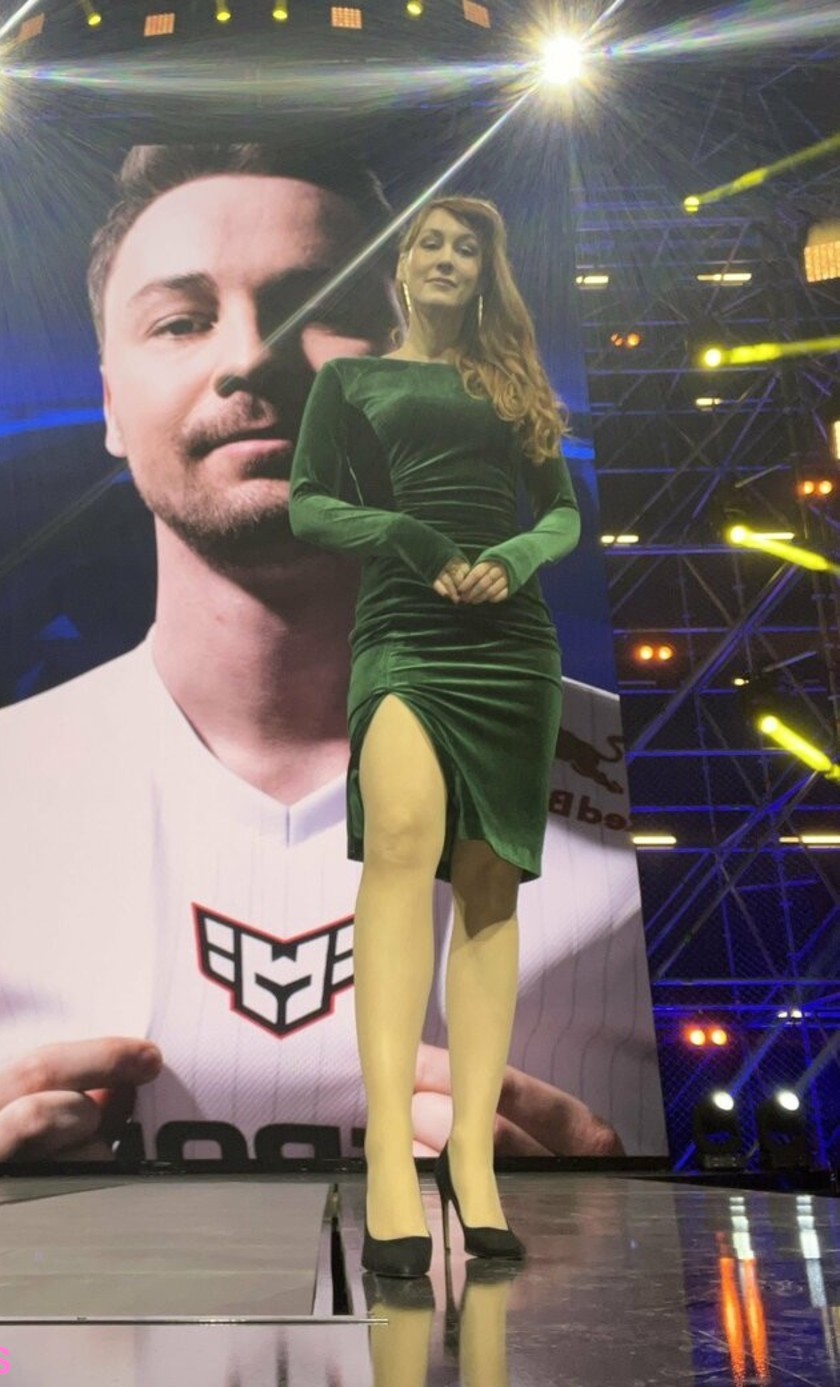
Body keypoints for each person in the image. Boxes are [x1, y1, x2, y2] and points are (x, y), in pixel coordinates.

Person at [0, 145, 665, 1167]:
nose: (253, 358)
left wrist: (633, 1236)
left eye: (324, 308)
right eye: (180, 321)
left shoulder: (639, 785)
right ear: (110, 404)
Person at [289, 197, 581, 1275]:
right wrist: (407, 534)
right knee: (403, 846)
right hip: (406, 630)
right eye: (432, 242)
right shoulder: (350, 381)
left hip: (512, 641)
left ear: (486, 271)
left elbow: (562, 512)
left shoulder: (513, 383)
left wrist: (516, 555)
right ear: (402, 266)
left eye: (468, 247)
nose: (449, 257)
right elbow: (309, 504)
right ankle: (387, 1155)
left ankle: (470, 1156)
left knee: (491, 881)